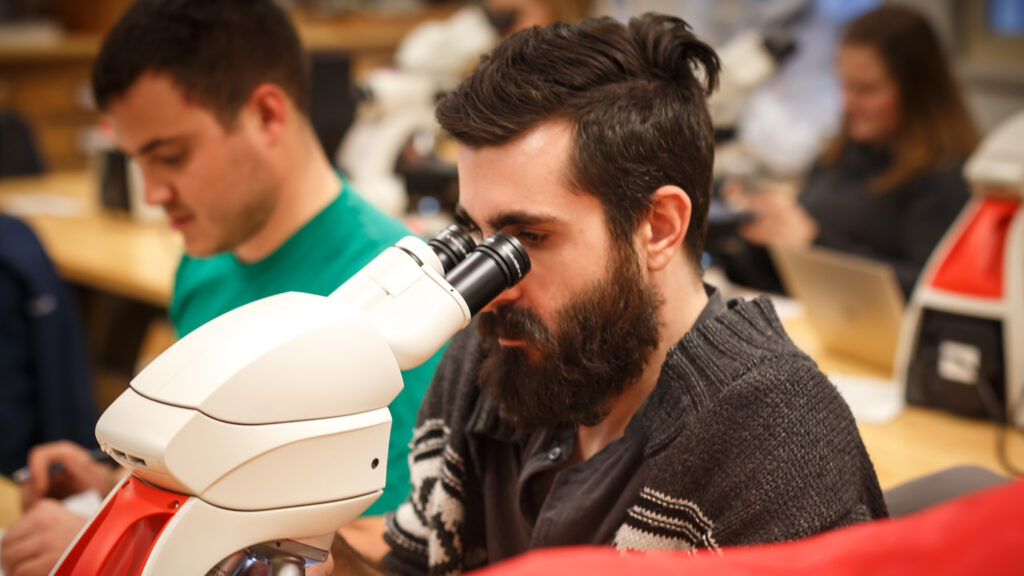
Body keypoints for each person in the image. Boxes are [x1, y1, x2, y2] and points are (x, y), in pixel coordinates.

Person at [323, 13, 887, 576]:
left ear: (659, 227)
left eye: (530, 239)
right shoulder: (495, 353)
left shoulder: (777, 439)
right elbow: (414, 564)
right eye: (479, 236)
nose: (489, 294)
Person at [0, 1, 438, 574]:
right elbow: (220, 470)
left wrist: (117, 541)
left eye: (172, 156)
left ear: (266, 115)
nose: (153, 193)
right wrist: (117, 481)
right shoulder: (206, 259)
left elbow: (383, 548)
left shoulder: (397, 306)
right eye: (136, 162)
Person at [725, 4, 977, 296]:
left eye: (867, 89)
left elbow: (927, 289)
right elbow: (789, 278)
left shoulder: (946, 175)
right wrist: (755, 237)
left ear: (917, 90)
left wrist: (815, 245)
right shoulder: (839, 155)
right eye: (845, 85)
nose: (849, 103)